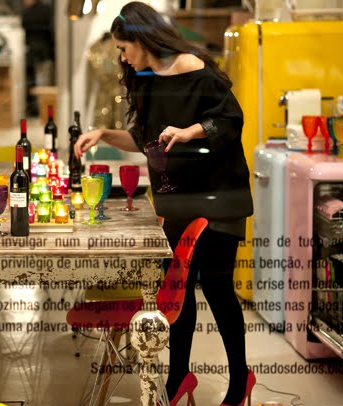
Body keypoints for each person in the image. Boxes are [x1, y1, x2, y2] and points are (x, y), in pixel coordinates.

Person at [74, 2, 254, 405]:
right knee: (178, 292)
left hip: (219, 193)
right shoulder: (147, 79)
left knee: (218, 288)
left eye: (124, 48)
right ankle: (178, 377)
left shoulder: (194, 68)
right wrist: (103, 134)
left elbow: (230, 120)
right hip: (178, 198)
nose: (122, 57)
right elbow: (143, 140)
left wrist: (190, 131)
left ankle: (240, 380)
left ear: (141, 40)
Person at [22, 0, 54, 116]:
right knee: (43, 83)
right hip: (44, 51)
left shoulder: (28, 13)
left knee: (37, 84)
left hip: (36, 52)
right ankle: (44, 111)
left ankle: (38, 110)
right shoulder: (46, 10)